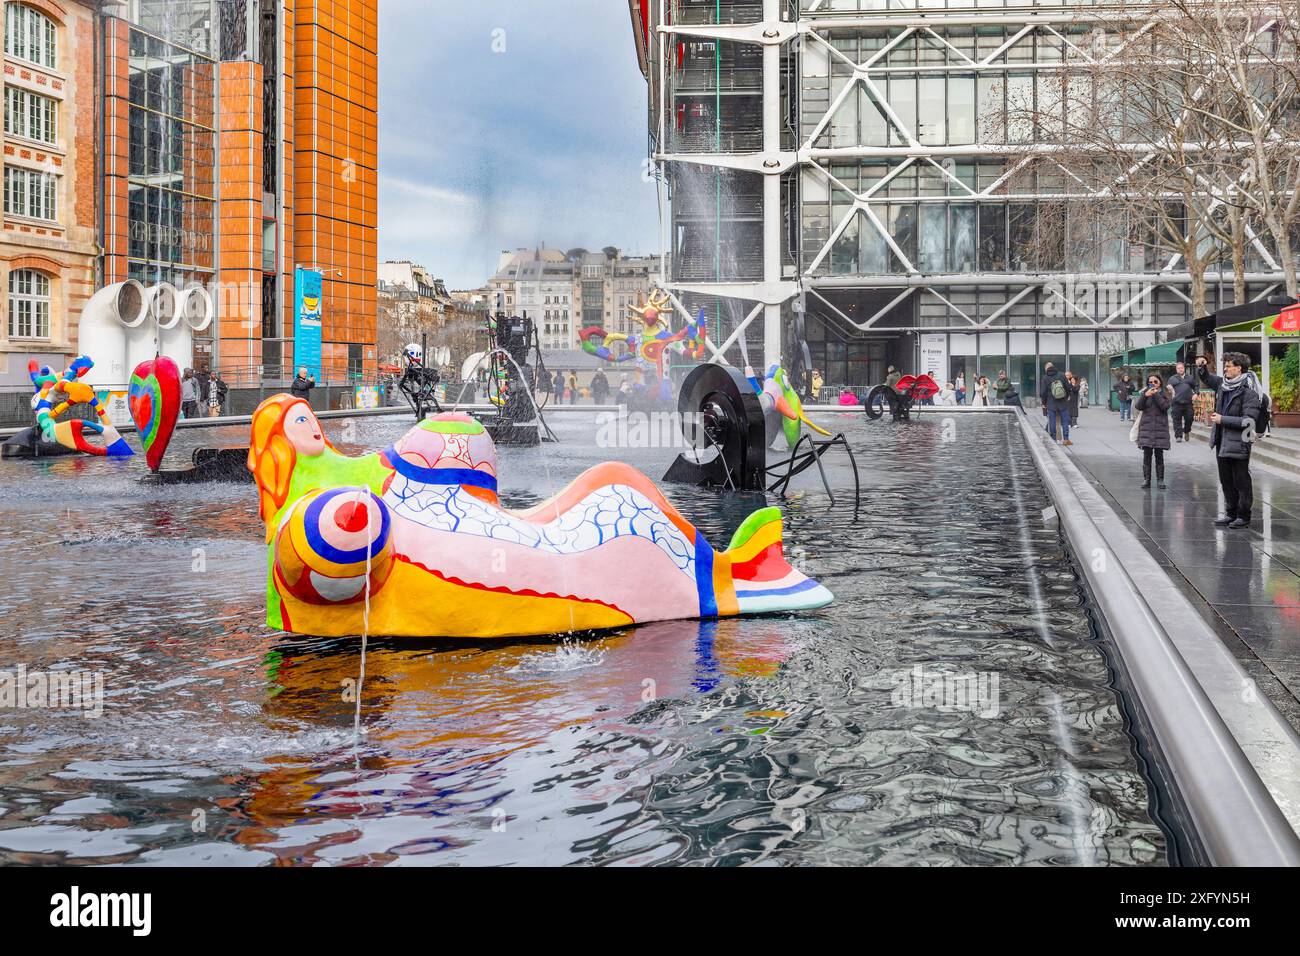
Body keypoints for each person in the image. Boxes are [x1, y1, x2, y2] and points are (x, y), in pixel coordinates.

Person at [1198, 353, 1263, 529]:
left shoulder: (1249, 392)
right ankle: (1231, 513)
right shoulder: (1223, 385)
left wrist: (1222, 419)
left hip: (1240, 442)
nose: (1225, 369)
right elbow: (1208, 378)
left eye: (1228, 366)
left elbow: (1249, 421)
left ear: (1238, 368)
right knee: (1226, 480)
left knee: (1241, 481)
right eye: (1225, 366)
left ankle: (1243, 515)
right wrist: (1202, 367)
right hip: (1222, 441)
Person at [1134, 373, 1172, 489]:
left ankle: (1160, 480)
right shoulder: (1144, 393)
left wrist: (1155, 395)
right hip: (1147, 428)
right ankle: (1147, 479)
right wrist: (1146, 395)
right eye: (1151, 382)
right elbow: (1138, 406)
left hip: (1160, 429)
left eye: (1155, 382)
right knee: (1147, 455)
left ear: (1160, 382)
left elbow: (1165, 407)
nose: (1153, 384)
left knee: (1159, 455)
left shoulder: (1164, 394)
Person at [1039, 362, 1073, 445]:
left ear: (1046, 369)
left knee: (1052, 421)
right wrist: (1066, 397)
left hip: (1051, 403)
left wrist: (1044, 403)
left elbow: (1043, 392)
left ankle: (1053, 439)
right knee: (1065, 421)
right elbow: (1068, 388)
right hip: (1062, 402)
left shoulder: (1045, 377)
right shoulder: (1061, 375)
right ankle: (1066, 439)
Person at [1167, 361, 1197, 442]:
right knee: (1176, 420)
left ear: (1184, 368)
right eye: (1178, 368)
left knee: (1190, 418)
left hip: (1188, 403)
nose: (1180, 369)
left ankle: (1186, 431)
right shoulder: (1172, 378)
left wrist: (1196, 394)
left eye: (1181, 368)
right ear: (1176, 369)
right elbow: (1168, 389)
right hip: (1176, 403)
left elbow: (1196, 387)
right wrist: (1169, 389)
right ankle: (1178, 436)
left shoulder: (1190, 377)